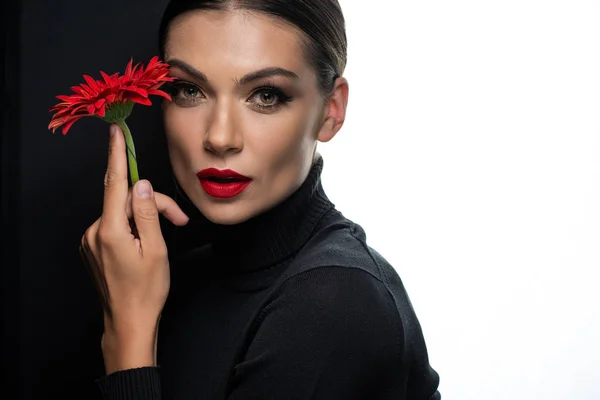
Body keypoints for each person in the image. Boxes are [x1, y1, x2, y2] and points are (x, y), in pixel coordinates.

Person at [79, 0, 441, 398]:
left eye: (266, 96)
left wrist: (128, 337)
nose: (219, 138)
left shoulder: (334, 302)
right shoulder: (181, 275)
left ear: (331, 111)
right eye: (189, 90)